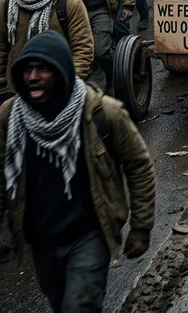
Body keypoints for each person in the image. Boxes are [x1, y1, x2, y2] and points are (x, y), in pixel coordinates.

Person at [0, 31, 156, 312]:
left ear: (62, 71)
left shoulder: (103, 114)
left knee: (79, 306)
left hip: (88, 235)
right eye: (27, 69)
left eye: (43, 68)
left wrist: (141, 227)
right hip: (43, 241)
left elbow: (139, 165)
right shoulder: (10, 118)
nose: (33, 76)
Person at [0, 0, 93, 94]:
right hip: (16, 94)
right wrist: (4, 88)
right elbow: (1, 49)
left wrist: (66, 87)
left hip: (59, 94)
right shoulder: (7, 4)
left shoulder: (69, 3)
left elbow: (83, 50)